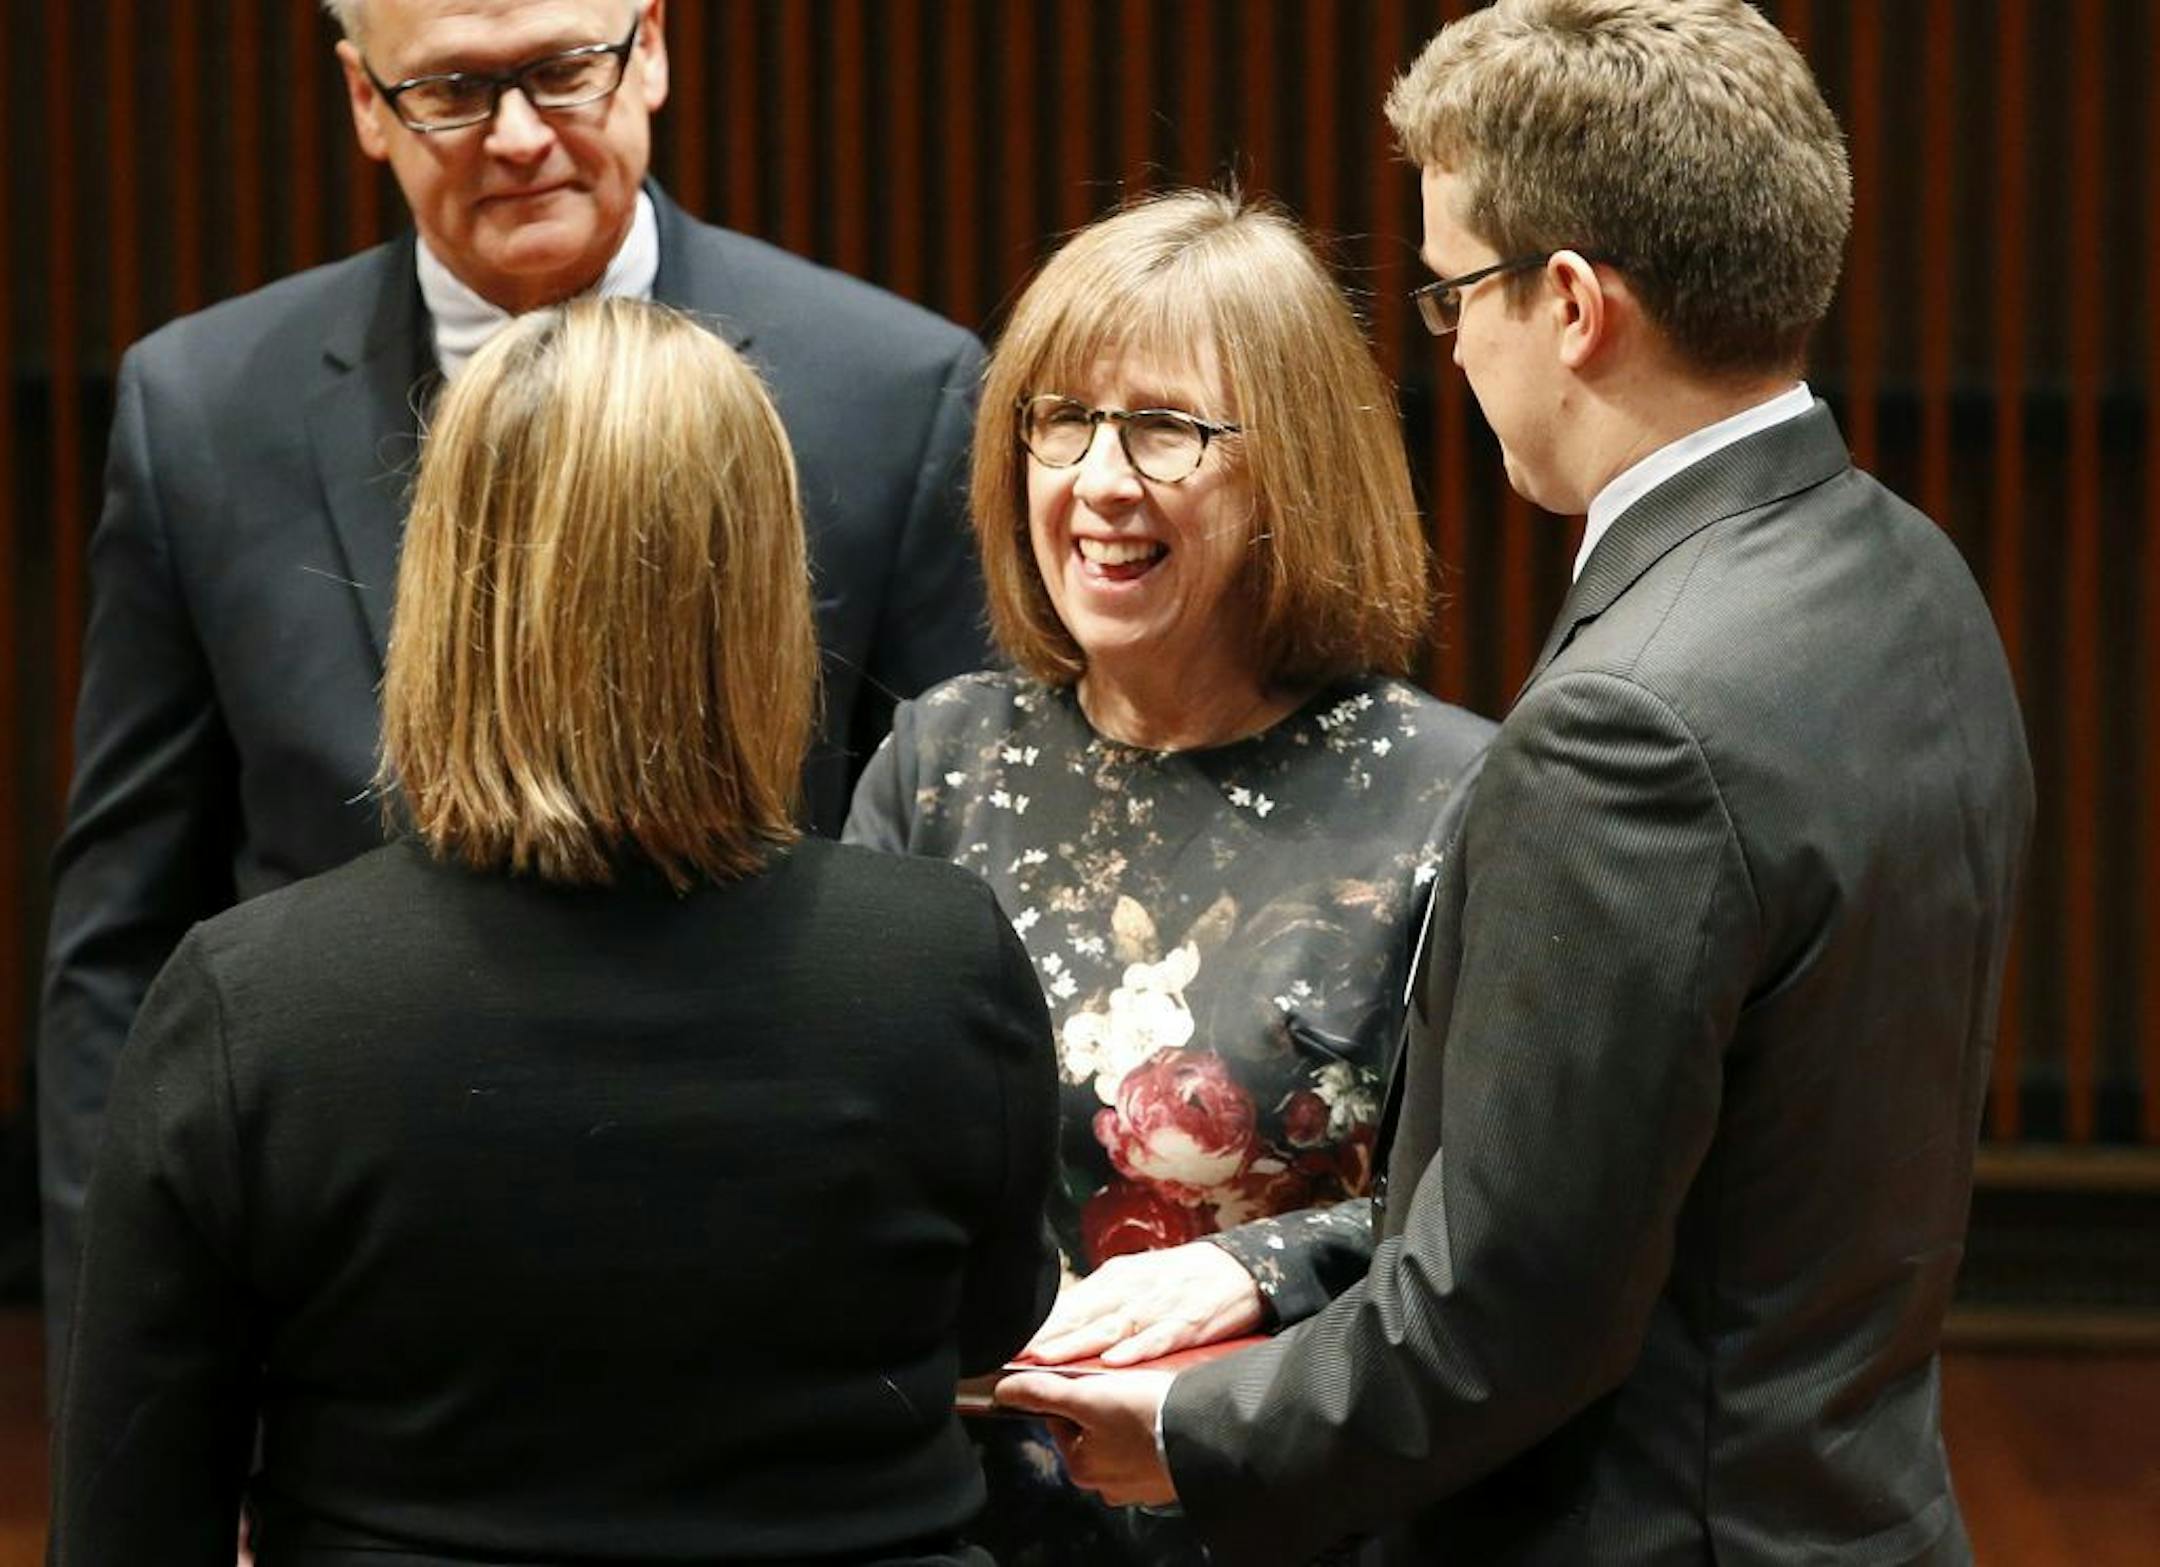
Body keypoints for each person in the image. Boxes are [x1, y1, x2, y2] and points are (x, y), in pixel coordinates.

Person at [998, 4, 2036, 1563]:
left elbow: (1512, 1310)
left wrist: (1193, 1436)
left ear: (1568, 304)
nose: (1452, 340)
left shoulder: (1628, 721)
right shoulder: (1908, 570)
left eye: (1452, 290)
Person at [38, 0, 990, 1401]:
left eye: (562, 68)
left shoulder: (890, 393)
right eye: (455, 91)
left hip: (772, 1329)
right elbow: (115, 951)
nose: (523, 136)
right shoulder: (199, 409)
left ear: (650, 46)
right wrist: (128, 1397)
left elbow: (951, 909)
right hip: (342, 1337)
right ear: (364, 99)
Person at [49, 298, 1058, 1566]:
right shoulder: (941, 963)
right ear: (763, 592)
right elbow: (988, 1320)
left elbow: (129, 1516)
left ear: (443, 586)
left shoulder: (253, 1009)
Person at [845, 189, 1494, 1564]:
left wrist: (1250, 1263)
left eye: (1166, 427)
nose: (1100, 478)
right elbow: (841, 1139)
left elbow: (1499, 1222)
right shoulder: (939, 760)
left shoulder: (1458, 795)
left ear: (1294, 469)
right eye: (1061, 418)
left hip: (1284, 1510)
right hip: (960, 1521)